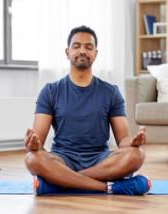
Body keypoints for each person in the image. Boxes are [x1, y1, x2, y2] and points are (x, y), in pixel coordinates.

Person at [24, 25, 150, 196]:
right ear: (67, 52)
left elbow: (123, 141)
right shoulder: (50, 91)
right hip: (62, 159)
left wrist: (133, 142)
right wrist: (33, 144)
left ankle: (61, 183)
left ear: (95, 54)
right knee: (33, 159)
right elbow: (37, 141)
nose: (82, 50)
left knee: (136, 155)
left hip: (100, 160)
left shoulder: (111, 91)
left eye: (88, 47)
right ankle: (107, 187)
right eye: (76, 46)